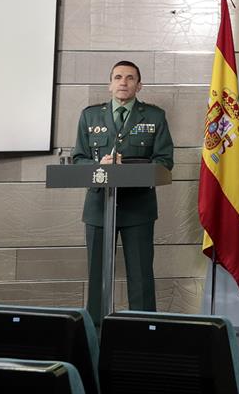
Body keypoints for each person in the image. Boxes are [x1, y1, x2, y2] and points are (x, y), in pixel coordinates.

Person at [71, 60, 174, 326]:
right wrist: (99, 166)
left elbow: (164, 162)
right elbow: (78, 159)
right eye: (118, 77)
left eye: (130, 78)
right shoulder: (90, 116)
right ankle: (95, 333)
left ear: (139, 85)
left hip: (137, 207)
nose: (123, 82)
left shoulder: (154, 116)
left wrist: (126, 167)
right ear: (110, 84)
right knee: (97, 276)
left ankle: (142, 332)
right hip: (98, 207)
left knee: (140, 275)